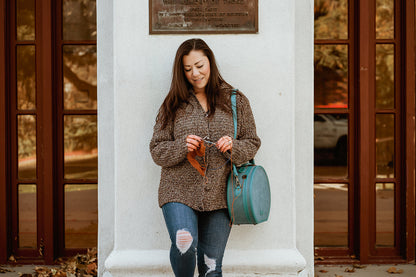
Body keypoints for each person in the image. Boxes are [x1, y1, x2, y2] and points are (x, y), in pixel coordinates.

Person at [149, 38, 261, 277]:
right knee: (184, 246)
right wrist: (182, 146)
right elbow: (156, 149)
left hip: (221, 194)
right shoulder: (172, 104)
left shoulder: (235, 100)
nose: (195, 73)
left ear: (210, 61)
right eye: (188, 69)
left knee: (211, 267)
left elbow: (252, 142)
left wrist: (234, 146)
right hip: (177, 191)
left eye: (200, 65)